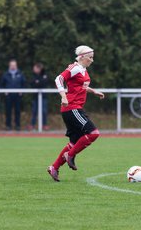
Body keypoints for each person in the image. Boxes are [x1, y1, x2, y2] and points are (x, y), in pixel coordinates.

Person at [47, 45, 105, 181]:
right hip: (72, 108)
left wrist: (93, 91)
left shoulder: (83, 70)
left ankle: (54, 168)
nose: (92, 60)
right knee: (93, 133)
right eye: (90, 58)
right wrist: (63, 96)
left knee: (74, 142)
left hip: (73, 109)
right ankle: (70, 155)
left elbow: (81, 86)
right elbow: (58, 79)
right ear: (83, 57)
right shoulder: (75, 68)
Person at [1, 59, 26, 131]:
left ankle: (17, 125)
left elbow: (24, 84)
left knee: (17, 111)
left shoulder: (20, 74)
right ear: (9, 66)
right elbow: (1, 84)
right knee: (8, 111)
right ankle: (8, 125)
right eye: (11, 65)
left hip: (17, 96)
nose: (13, 66)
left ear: (16, 66)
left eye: (14, 65)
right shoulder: (5, 74)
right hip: (8, 96)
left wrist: (22, 91)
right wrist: (4, 92)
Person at [29, 62, 49, 131]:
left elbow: (43, 83)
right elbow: (32, 84)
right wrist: (37, 82)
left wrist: (37, 82)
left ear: (39, 69)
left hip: (43, 97)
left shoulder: (45, 75)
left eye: (35, 68)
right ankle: (32, 125)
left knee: (44, 111)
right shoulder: (33, 76)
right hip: (35, 97)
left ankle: (44, 125)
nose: (33, 69)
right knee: (34, 111)